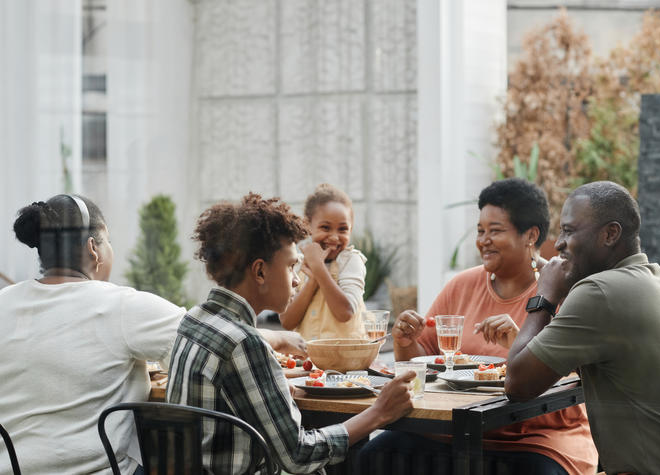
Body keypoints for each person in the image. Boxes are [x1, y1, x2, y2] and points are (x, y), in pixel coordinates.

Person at [359, 179, 598, 474]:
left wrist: (523, 348)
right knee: (372, 456)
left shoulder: (563, 290)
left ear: (531, 235)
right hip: (453, 431)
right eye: (480, 231)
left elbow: (581, 380)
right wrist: (407, 342)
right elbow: (422, 365)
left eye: (495, 231)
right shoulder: (461, 286)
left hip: (538, 439)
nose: (483, 240)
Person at [165, 193, 413, 474]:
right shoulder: (244, 343)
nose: (296, 279)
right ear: (259, 272)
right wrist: (379, 412)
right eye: (291, 266)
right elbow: (298, 455)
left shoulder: (195, 320)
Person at [506, 181, 660, 474]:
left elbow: (517, 385)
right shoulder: (659, 279)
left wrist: (544, 296)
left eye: (569, 231)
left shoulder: (600, 292)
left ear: (610, 234)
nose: (557, 244)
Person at [0, 194, 185, 474]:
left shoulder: (4, 302)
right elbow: (209, 339)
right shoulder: (120, 305)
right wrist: (276, 337)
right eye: (108, 241)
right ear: (93, 249)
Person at [280, 183, 367, 340]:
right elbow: (287, 321)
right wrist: (312, 280)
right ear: (308, 225)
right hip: (308, 360)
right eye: (325, 228)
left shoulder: (351, 260)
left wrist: (318, 268)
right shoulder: (298, 263)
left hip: (346, 360)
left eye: (342, 229)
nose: (334, 237)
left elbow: (345, 313)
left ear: (351, 229)